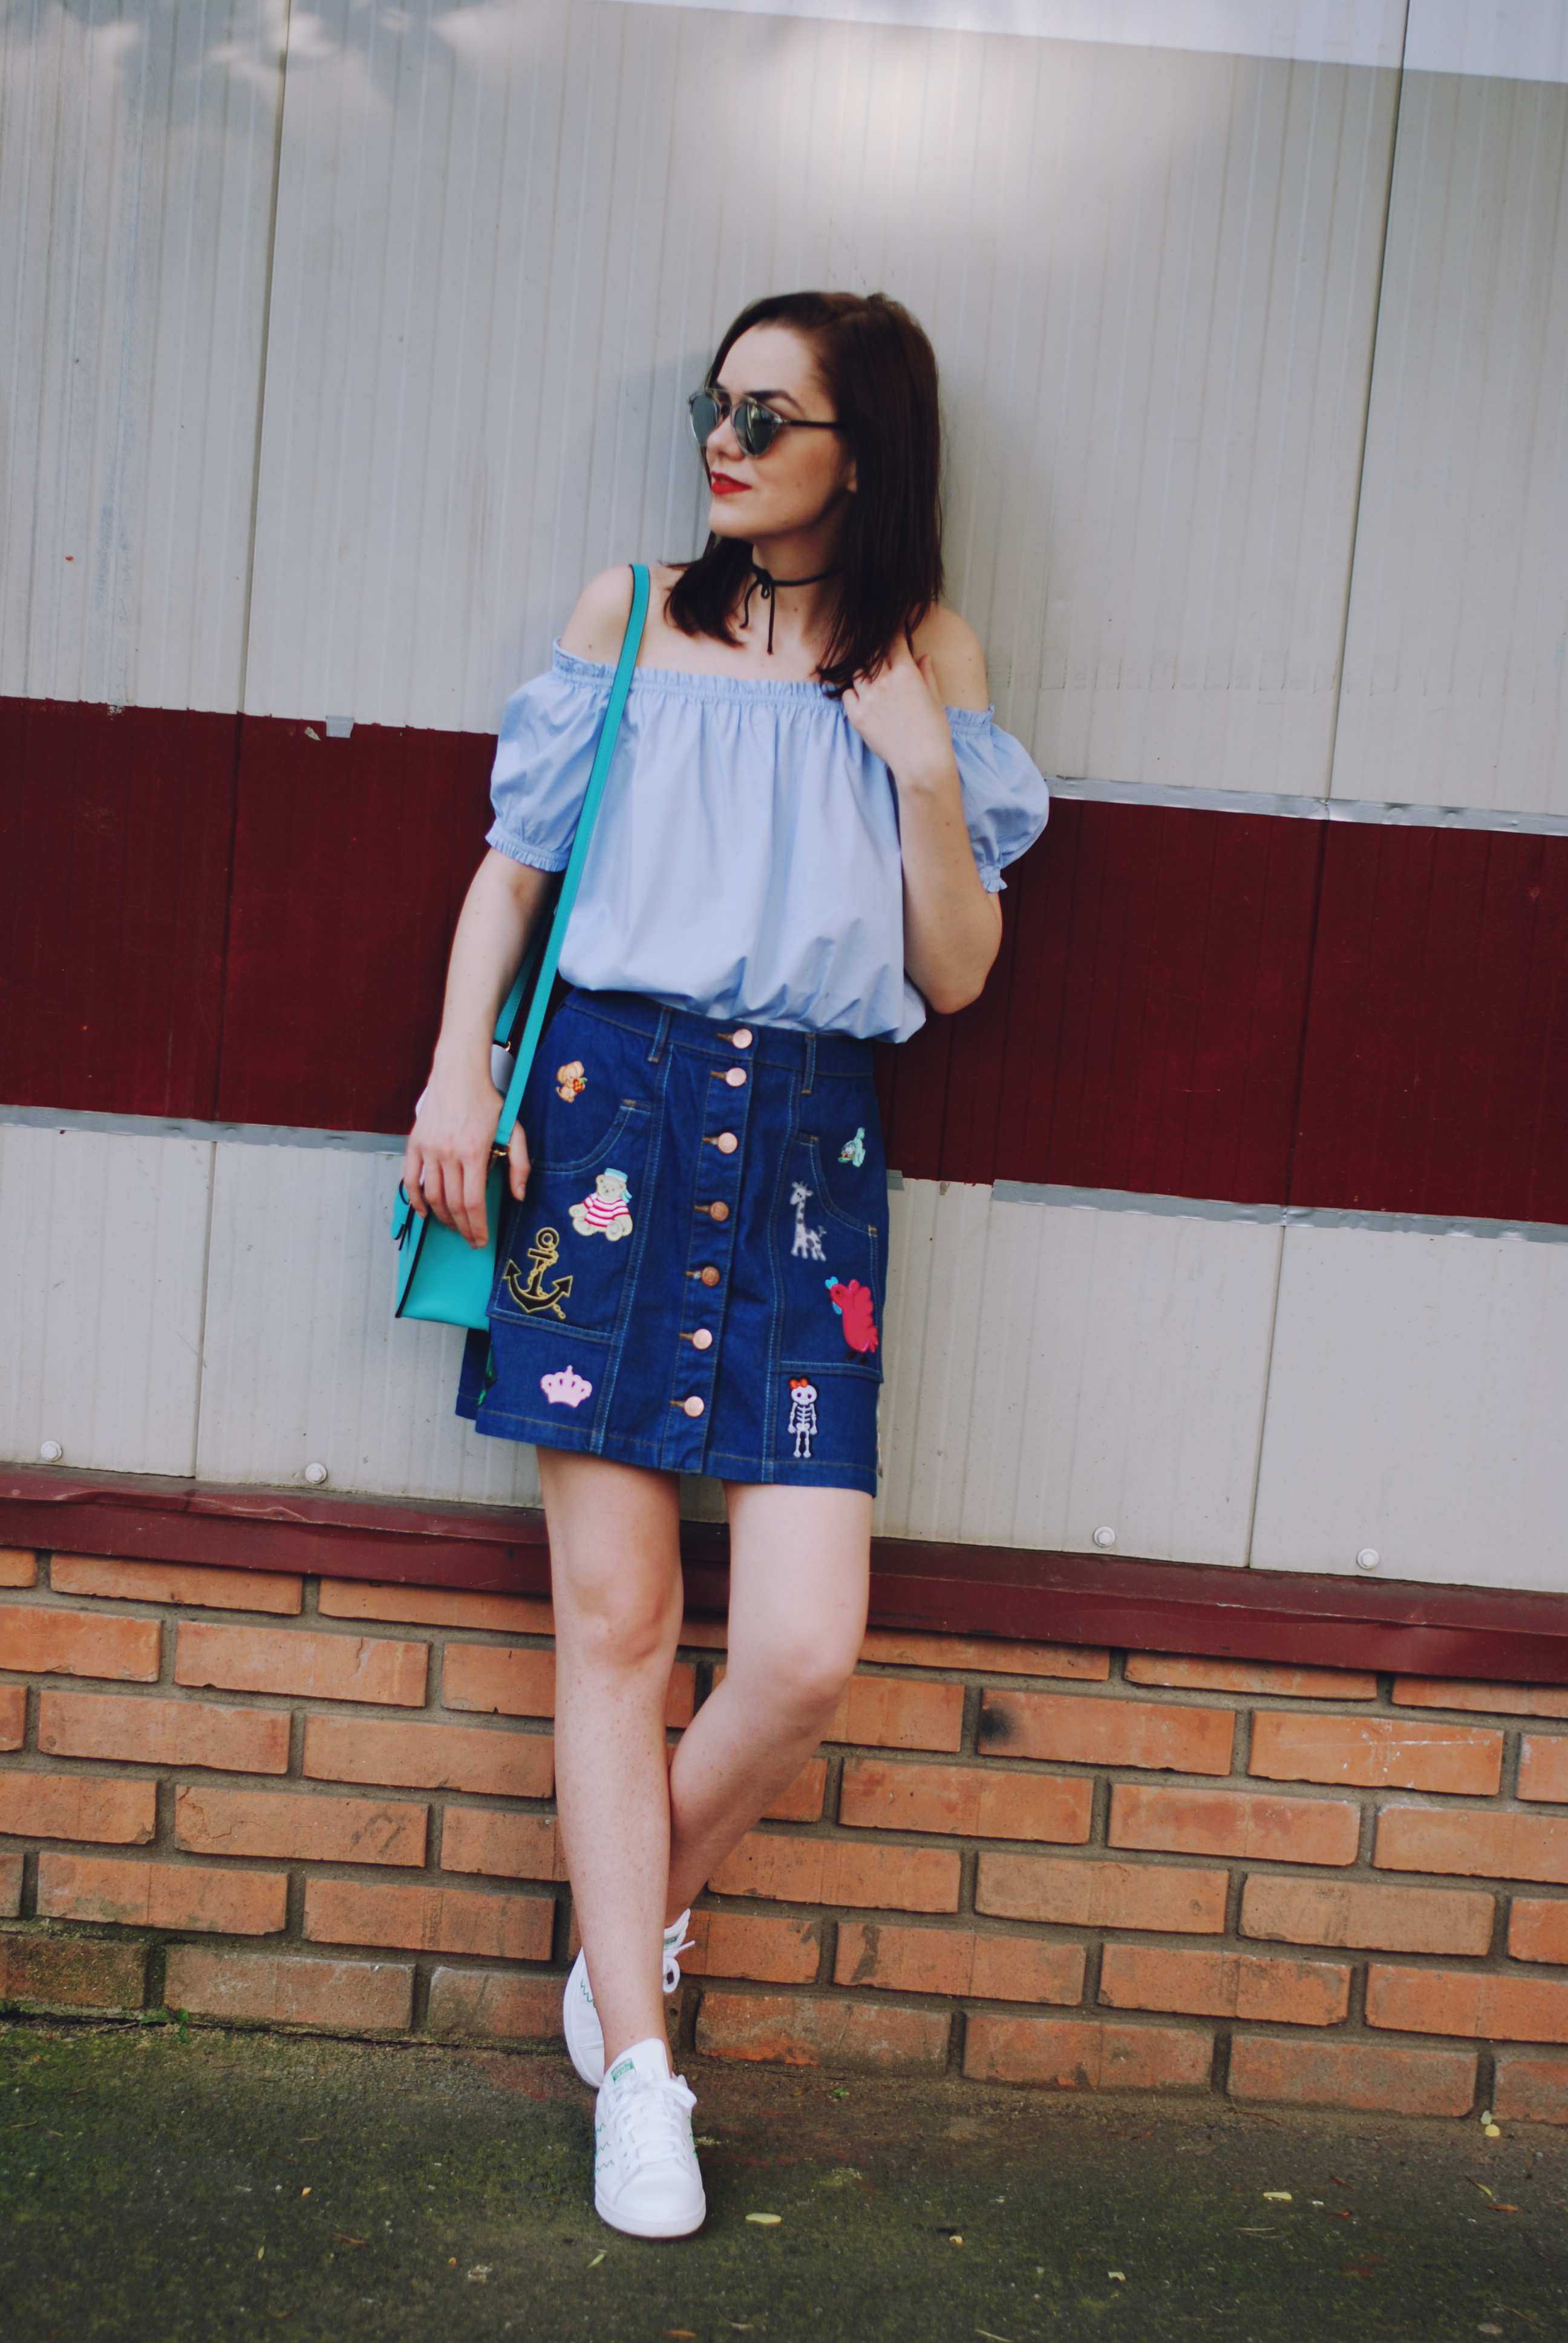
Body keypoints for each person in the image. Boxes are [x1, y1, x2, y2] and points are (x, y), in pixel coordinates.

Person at [403, 290, 1048, 2240]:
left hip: (810, 1144)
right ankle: (645, 2080)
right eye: (719, 399)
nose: (729, 434)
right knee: (613, 1633)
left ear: (870, 452)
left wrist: (926, 774)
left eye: (775, 410)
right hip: (602, 1114)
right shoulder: (631, 613)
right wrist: (454, 1068)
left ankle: (618, 1936)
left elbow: (954, 977)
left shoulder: (925, 652)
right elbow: (518, 867)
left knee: (796, 1653)